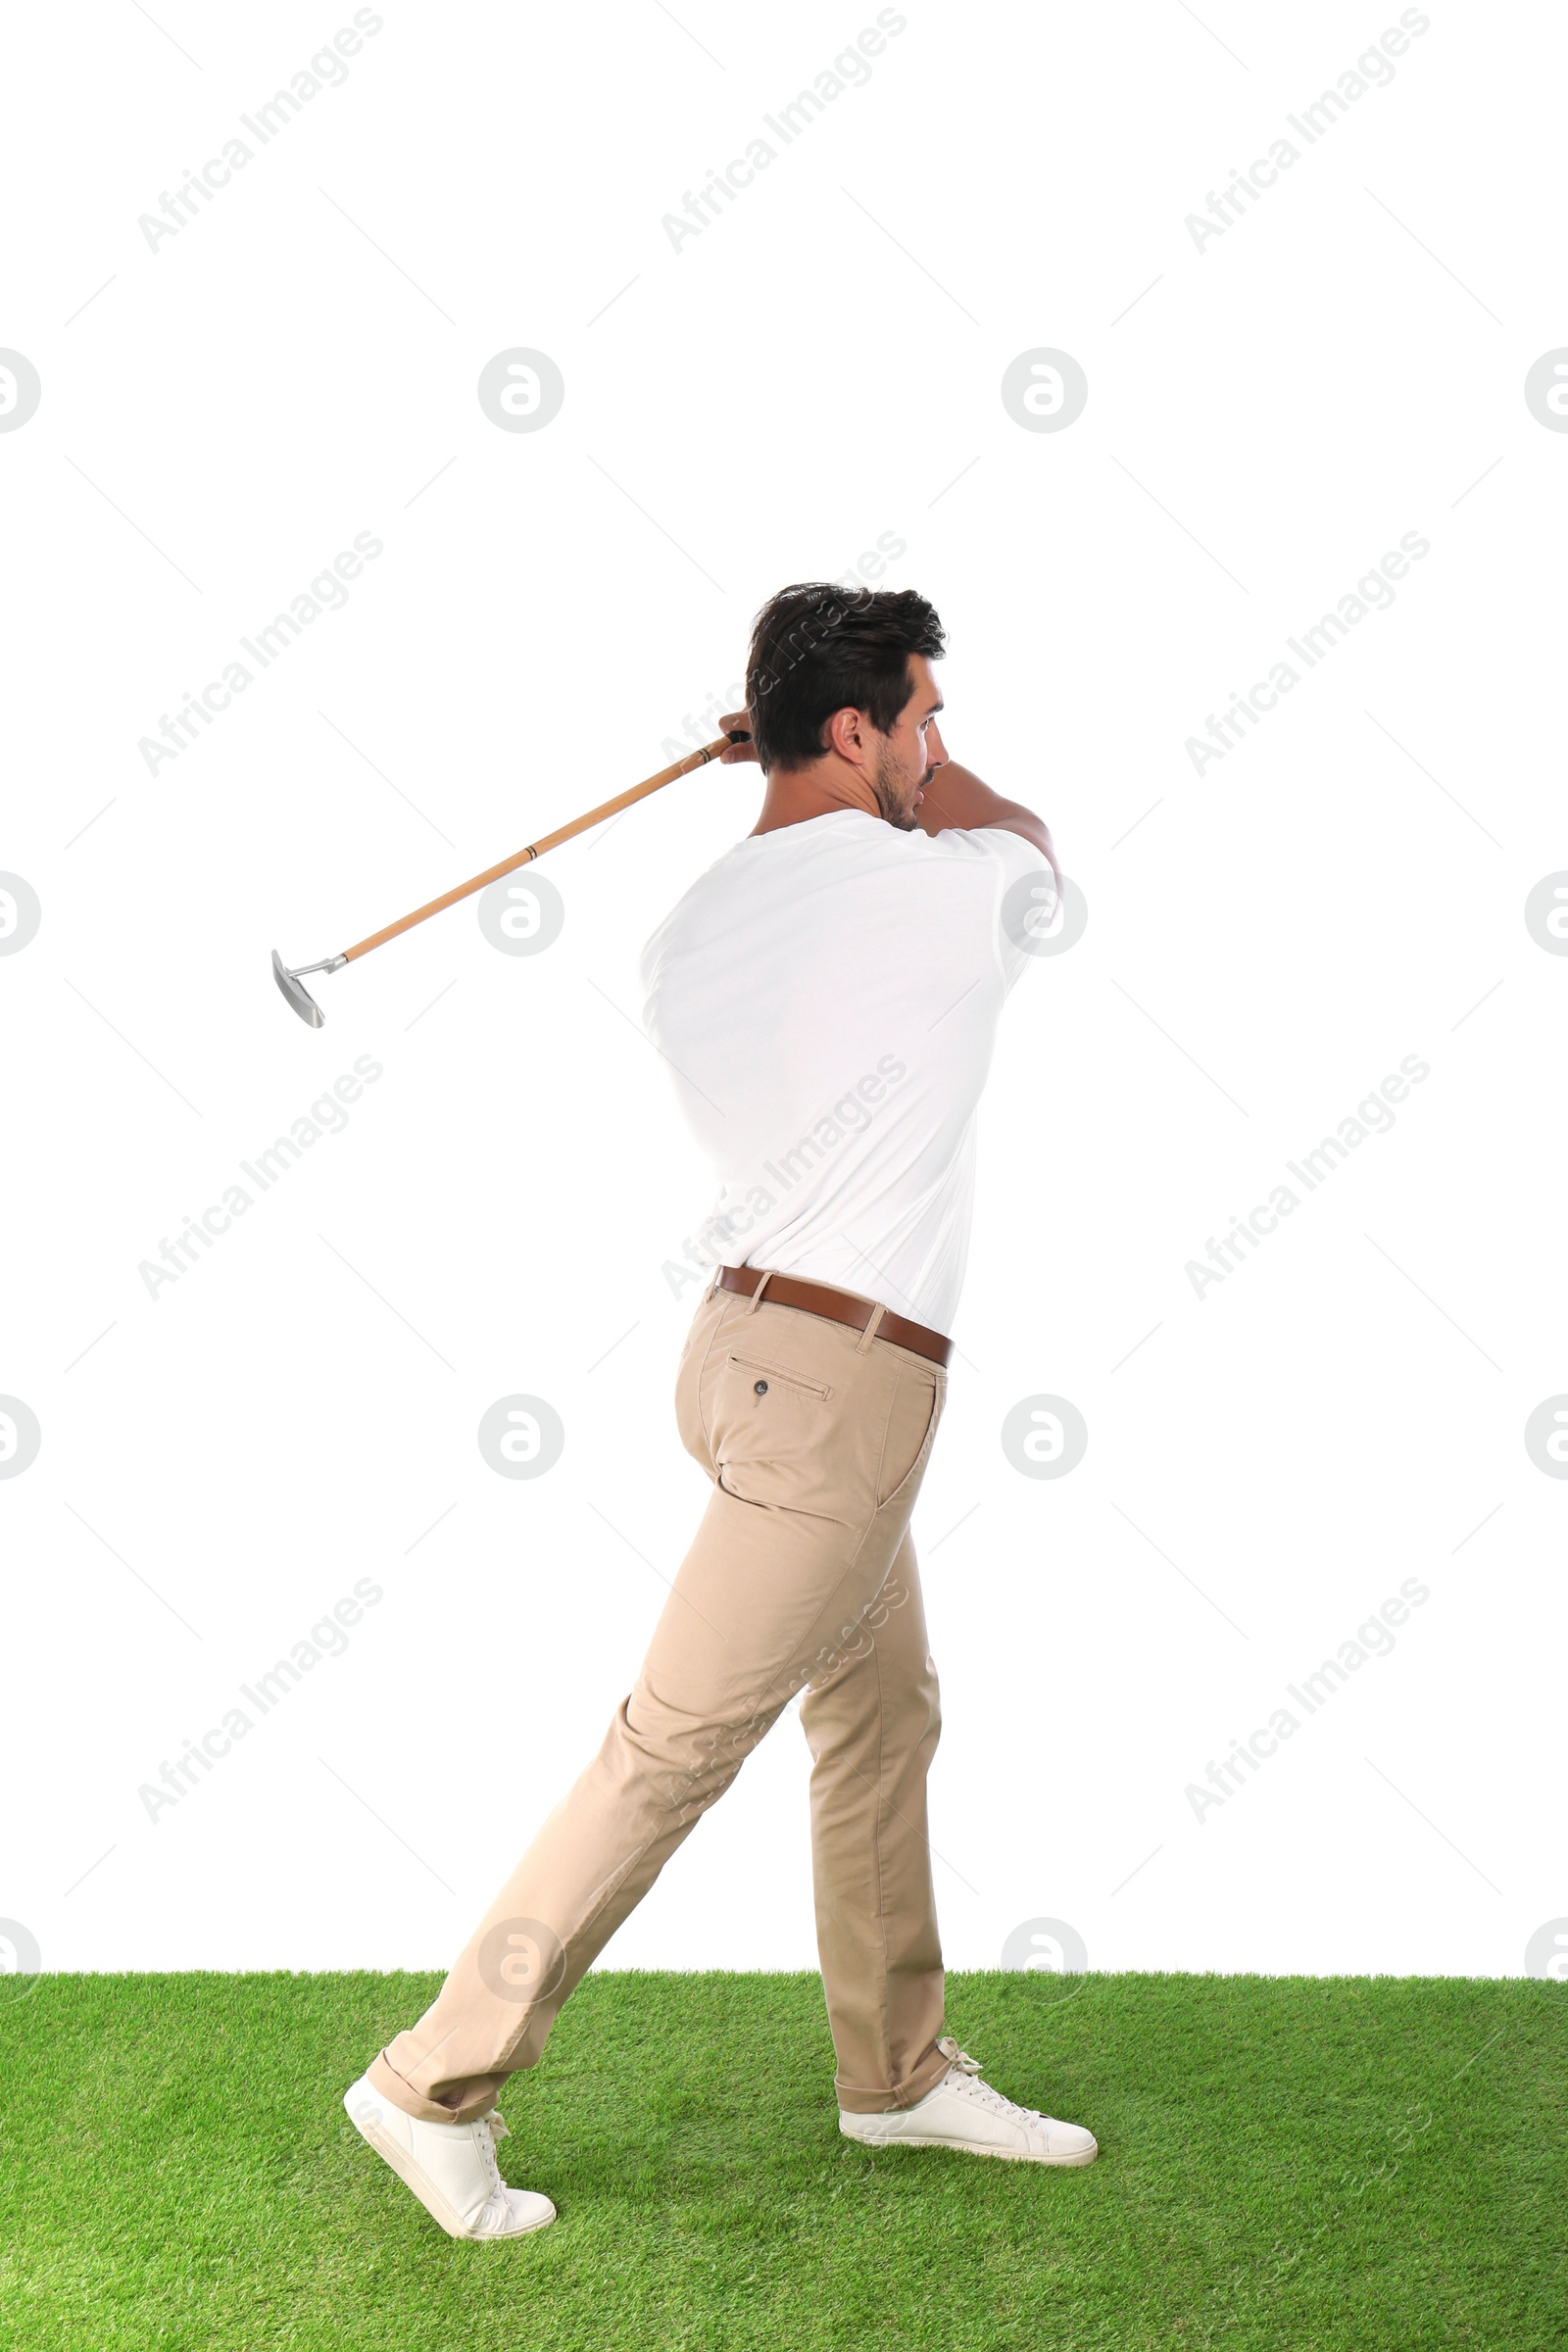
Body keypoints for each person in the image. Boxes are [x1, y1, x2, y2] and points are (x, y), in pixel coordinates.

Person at [343, 581, 1098, 2239]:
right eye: (920, 719)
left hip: (745, 1348)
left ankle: (893, 2074)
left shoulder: (685, 929)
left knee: (882, 1711)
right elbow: (1037, 848)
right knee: (670, 1751)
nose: (939, 750)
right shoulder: (946, 889)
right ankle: (431, 2080)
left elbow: (881, 856)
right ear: (857, 730)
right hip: (842, 1398)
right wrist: (904, 788)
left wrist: (791, 764)